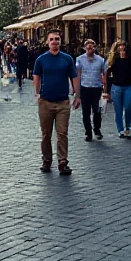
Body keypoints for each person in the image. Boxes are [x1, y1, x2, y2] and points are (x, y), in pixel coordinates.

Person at [33, 29, 80, 175]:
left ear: (60, 42)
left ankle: (62, 162)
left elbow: (74, 76)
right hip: (46, 101)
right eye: (52, 39)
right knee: (46, 134)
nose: (55, 42)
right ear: (47, 42)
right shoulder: (41, 59)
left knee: (62, 133)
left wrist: (77, 95)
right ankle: (47, 160)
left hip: (63, 102)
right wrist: (38, 93)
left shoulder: (67, 59)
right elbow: (36, 75)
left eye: (57, 39)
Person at [105, 40, 131, 138]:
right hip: (116, 87)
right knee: (118, 110)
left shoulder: (130, 62)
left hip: (128, 86)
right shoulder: (113, 62)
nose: (122, 51)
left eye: (124, 49)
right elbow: (107, 74)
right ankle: (120, 130)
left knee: (128, 107)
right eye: (120, 49)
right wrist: (107, 90)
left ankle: (128, 127)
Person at [75, 39, 106, 141]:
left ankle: (97, 129)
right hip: (85, 88)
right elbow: (78, 75)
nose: (89, 48)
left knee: (97, 110)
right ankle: (88, 132)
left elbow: (104, 74)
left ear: (94, 48)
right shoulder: (79, 59)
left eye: (91, 46)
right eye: (87, 47)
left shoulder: (101, 60)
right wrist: (77, 93)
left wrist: (106, 90)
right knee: (86, 112)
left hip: (97, 88)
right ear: (84, 48)